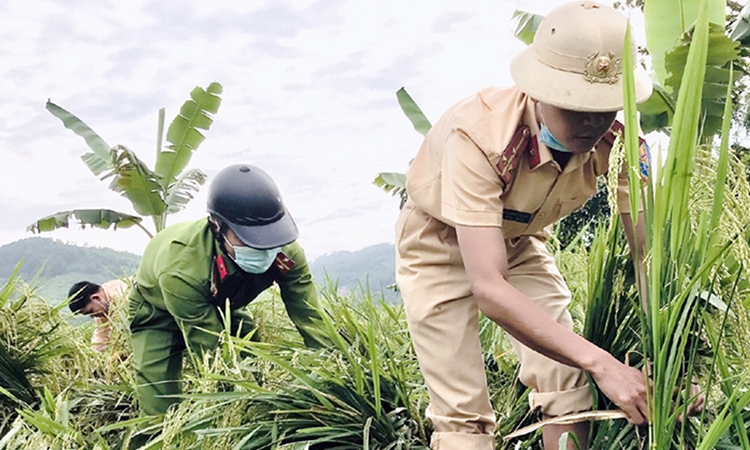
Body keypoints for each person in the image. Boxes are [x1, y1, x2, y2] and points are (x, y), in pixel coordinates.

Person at [396, 2, 656, 449]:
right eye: (576, 107)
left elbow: (647, 255)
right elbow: (489, 286)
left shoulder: (624, 142)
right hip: (438, 241)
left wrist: (669, 359)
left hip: (517, 241)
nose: (593, 121)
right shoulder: (480, 136)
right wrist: (604, 364)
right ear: (541, 90)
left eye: (604, 106)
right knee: (464, 418)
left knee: (567, 384)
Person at [128, 164, 326, 420]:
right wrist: (234, 407)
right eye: (248, 238)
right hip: (157, 312)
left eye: (270, 235)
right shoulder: (181, 268)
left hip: (224, 303)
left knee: (251, 364)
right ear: (217, 226)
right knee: (158, 405)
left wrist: (335, 372)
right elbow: (211, 351)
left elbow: (312, 318)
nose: (264, 247)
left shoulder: (285, 252)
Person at [68, 279, 130, 352]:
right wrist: (93, 357)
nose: (92, 316)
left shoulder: (124, 295)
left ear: (96, 298)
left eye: (91, 311)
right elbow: (101, 336)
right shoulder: (103, 304)